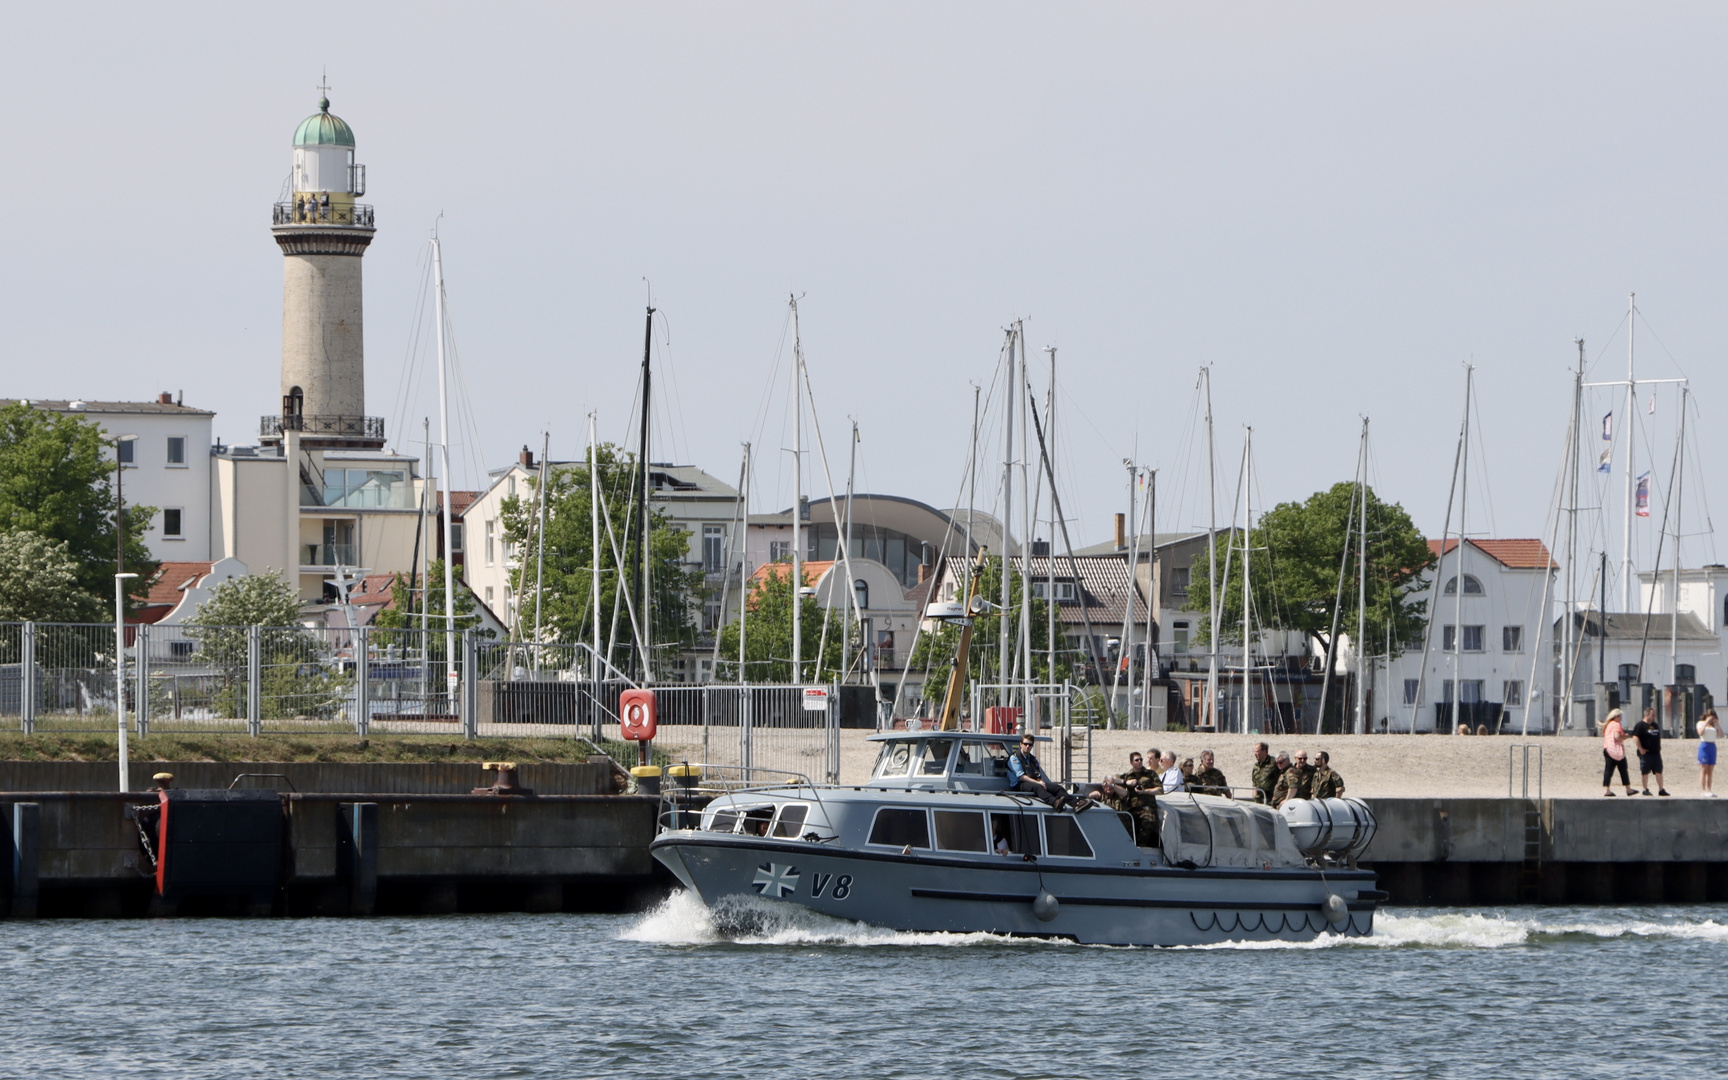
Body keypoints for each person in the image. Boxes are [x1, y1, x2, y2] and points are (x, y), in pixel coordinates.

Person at [1008, 734, 1084, 810]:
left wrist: (1040, 781)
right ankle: (1055, 803)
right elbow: (1021, 776)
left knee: (1057, 788)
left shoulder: (1033, 759)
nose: (1027, 746)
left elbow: (1037, 774)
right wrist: (1038, 782)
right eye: (1025, 744)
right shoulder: (1014, 758)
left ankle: (1076, 803)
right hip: (1018, 784)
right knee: (1038, 787)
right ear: (1021, 744)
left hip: (1033, 782)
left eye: (1030, 744)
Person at [1629, 707, 1668, 796]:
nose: (1654, 716)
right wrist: (1641, 749)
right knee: (1645, 771)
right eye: (1652, 714)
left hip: (1656, 753)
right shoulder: (1640, 725)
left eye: (1654, 714)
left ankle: (1661, 789)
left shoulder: (1655, 725)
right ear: (1647, 714)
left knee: (1658, 770)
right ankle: (1645, 789)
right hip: (1646, 753)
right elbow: (1635, 737)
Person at [1601, 707, 1634, 796]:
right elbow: (1617, 737)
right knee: (1623, 769)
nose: (1621, 718)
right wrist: (1626, 736)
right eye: (1620, 716)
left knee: (1608, 770)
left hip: (1607, 748)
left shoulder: (1608, 725)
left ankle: (1606, 789)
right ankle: (1628, 789)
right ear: (1616, 717)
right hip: (1616, 750)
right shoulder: (1616, 724)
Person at [1697, 709, 1720, 797]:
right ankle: (1703, 790)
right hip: (1704, 745)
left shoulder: (1714, 726)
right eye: (1710, 716)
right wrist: (1706, 723)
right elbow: (1700, 733)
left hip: (1712, 746)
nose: (1711, 718)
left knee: (1710, 770)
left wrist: (1717, 724)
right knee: (1703, 769)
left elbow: (1721, 735)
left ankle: (1708, 789)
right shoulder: (1701, 723)